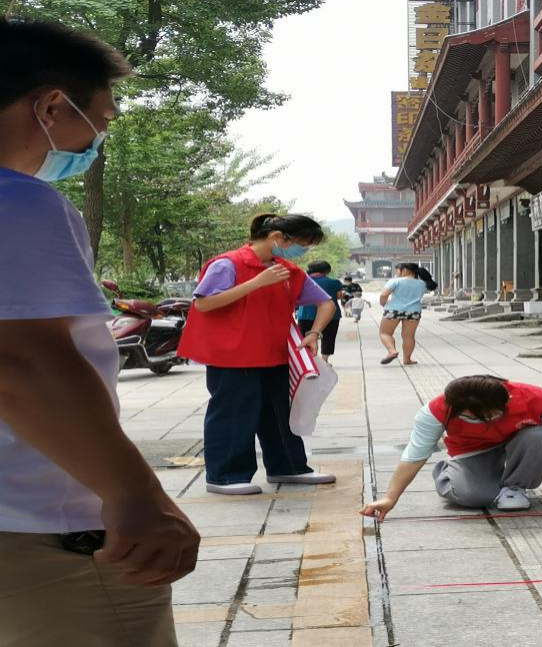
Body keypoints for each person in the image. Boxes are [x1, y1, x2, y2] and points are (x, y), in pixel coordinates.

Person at [0, 18, 199, 646]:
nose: (96, 138)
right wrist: (135, 495)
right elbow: (20, 364)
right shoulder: (17, 203)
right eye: (100, 120)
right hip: (39, 535)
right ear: (52, 105)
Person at [178, 213, 338, 496]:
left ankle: (288, 467)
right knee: (234, 413)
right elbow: (204, 303)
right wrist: (256, 283)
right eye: (302, 245)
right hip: (232, 355)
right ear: (277, 238)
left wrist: (313, 333)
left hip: (275, 353)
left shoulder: (287, 270)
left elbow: (326, 304)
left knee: (279, 414)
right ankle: (225, 476)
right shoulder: (227, 264)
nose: (303, 252)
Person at [360, 375, 542, 519]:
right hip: (471, 452)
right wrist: (390, 498)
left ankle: (514, 486)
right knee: (473, 496)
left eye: (493, 414)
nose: (486, 420)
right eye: (472, 418)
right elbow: (415, 455)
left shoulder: (539, 399)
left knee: (538, 436)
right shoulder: (434, 411)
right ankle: (453, 473)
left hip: (520, 444)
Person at [379, 262, 438, 365]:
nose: (397, 272)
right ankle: (407, 359)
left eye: (398, 270)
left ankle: (392, 351)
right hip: (414, 311)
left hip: (394, 310)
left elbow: (384, 295)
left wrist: (383, 304)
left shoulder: (395, 281)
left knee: (385, 333)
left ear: (405, 270)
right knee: (408, 337)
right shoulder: (423, 283)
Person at [296, 260, 343, 364]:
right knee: (329, 337)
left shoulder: (302, 281)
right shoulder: (334, 282)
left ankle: (309, 361)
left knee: (305, 338)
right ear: (327, 271)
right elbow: (339, 296)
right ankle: (325, 360)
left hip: (306, 314)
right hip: (330, 315)